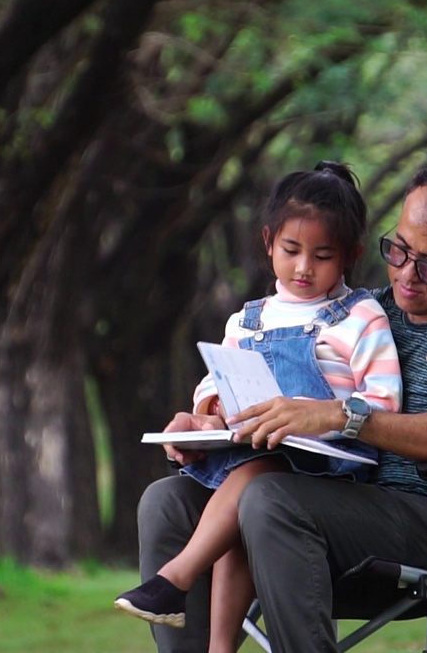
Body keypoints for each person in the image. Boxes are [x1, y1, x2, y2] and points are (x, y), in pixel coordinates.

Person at [137, 160, 427, 653]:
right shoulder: (356, 312)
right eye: (400, 250)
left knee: (270, 499)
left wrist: (342, 414)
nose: (407, 276)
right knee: (168, 502)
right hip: (325, 498)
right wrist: (210, 419)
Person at [115, 161, 403, 652]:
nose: (304, 268)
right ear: (269, 242)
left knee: (260, 481)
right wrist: (206, 413)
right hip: (255, 459)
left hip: (328, 467)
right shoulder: (247, 320)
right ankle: (219, 646)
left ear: (350, 257)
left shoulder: (359, 315)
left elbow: (384, 403)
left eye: (323, 256)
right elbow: (218, 382)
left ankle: (177, 578)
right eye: (291, 250)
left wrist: (324, 414)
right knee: (248, 489)